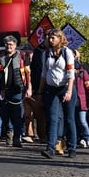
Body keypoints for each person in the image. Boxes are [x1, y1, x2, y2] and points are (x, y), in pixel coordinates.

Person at [38, 28, 77, 159]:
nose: (50, 39)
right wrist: (40, 91)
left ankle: (72, 147)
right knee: (53, 118)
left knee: (69, 118)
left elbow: (71, 73)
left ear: (60, 38)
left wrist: (69, 91)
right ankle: (51, 148)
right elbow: (44, 74)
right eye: (49, 37)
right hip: (51, 88)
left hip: (65, 87)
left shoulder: (67, 52)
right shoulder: (46, 54)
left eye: (53, 37)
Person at [0, 35, 29, 148]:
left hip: (18, 89)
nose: (8, 46)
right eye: (7, 44)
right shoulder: (1, 57)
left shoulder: (22, 56)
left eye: (11, 44)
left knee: (17, 115)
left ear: (15, 45)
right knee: (5, 115)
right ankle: (9, 134)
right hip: (5, 90)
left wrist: (28, 87)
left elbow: (27, 73)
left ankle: (17, 137)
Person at [73, 49, 89, 149]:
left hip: (82, 101)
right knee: (74, 122)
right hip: (72, 101)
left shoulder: (83, 73)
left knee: (82, 121)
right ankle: (79, 139)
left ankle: (88, 137)